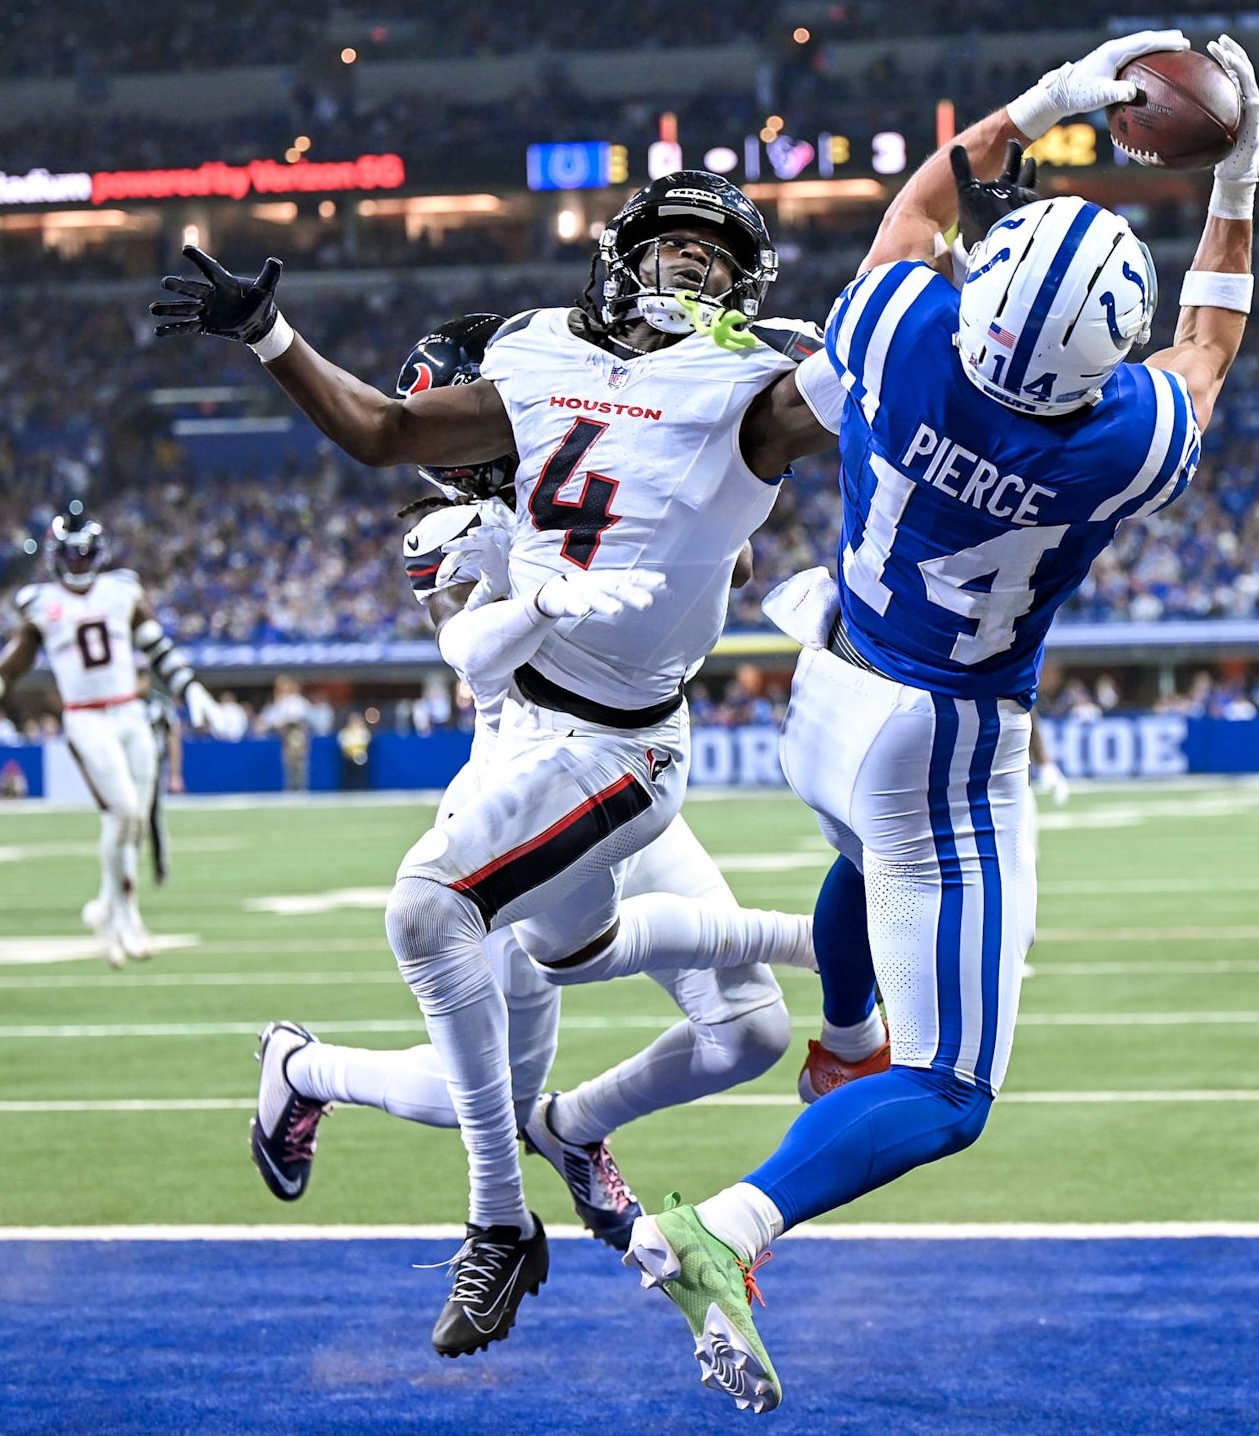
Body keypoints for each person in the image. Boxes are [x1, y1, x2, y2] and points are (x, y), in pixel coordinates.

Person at [620, 31, 1259, 1413]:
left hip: (826, 681)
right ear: (1100, 357)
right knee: (953, 1090)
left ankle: (841, 1033)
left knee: (864, 856)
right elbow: (1206, 349)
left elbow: (924, 207)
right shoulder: (1118, 442)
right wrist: (1239, 170)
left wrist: (1045, 102)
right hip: (950, 740)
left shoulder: (900, 334)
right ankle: (724, 1230)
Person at [153, 170, 839, 1357]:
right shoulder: (492, 448)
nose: (695, 271)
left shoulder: (730, 380)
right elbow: (400, 461)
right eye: (675, 251)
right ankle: (366, 1107)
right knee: (493, 1026)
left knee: (743, 1030)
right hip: (531, 755)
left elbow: (797, 437)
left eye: (717, 262)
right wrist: (269, 334)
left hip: (626, 746)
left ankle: (560, 1133)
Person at [251, 319, 812, 1277]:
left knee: (752, 1032)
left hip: (624, 780)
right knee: (485, 1098)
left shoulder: (604, 463)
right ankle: (303, 1069)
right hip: (524, 807)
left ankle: (574, 1128)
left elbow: (737, 559)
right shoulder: (452, 529)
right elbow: (464, 643)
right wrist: (551, 590)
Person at [0, 514, 224, 966]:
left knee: (132, 820)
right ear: (56, 557)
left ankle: (117, 911)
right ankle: (117, 915)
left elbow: (158, 648)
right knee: (125, 812)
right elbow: (12, 665)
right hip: (87, 718)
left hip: (129, 711)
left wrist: (192, 690)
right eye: (71, 553)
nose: (78, 561)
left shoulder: (122, 592)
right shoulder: (42, 604)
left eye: (85, 552)